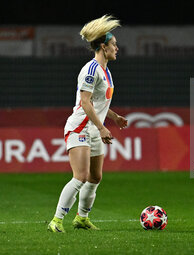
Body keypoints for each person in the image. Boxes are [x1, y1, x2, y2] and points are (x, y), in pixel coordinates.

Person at [48, 15, 127, 233]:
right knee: (80, 176)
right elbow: (84, 102)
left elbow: (98, 104)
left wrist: (114, 117)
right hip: (80, 127)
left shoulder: (106, 71)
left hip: (94, 127)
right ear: (103, 47)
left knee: (95, 177)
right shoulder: (91, 70)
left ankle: (82, 218)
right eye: (114, 45)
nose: (117, 48)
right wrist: (102, 127)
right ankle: (56, 220)